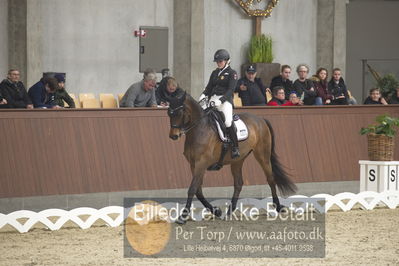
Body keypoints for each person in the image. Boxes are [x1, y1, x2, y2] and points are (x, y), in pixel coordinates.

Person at [199, 49, 239, 158]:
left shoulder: (232, 73)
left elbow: (230, 90)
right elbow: (209, 87)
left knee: (227, 122)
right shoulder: (214, 73)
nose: (218, 63)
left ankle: (235, 147)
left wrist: (220, 100)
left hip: (225, 101)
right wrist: (203, 95)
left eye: (220, 61)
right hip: (212, 100)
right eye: (217, 61)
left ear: (227, 61)